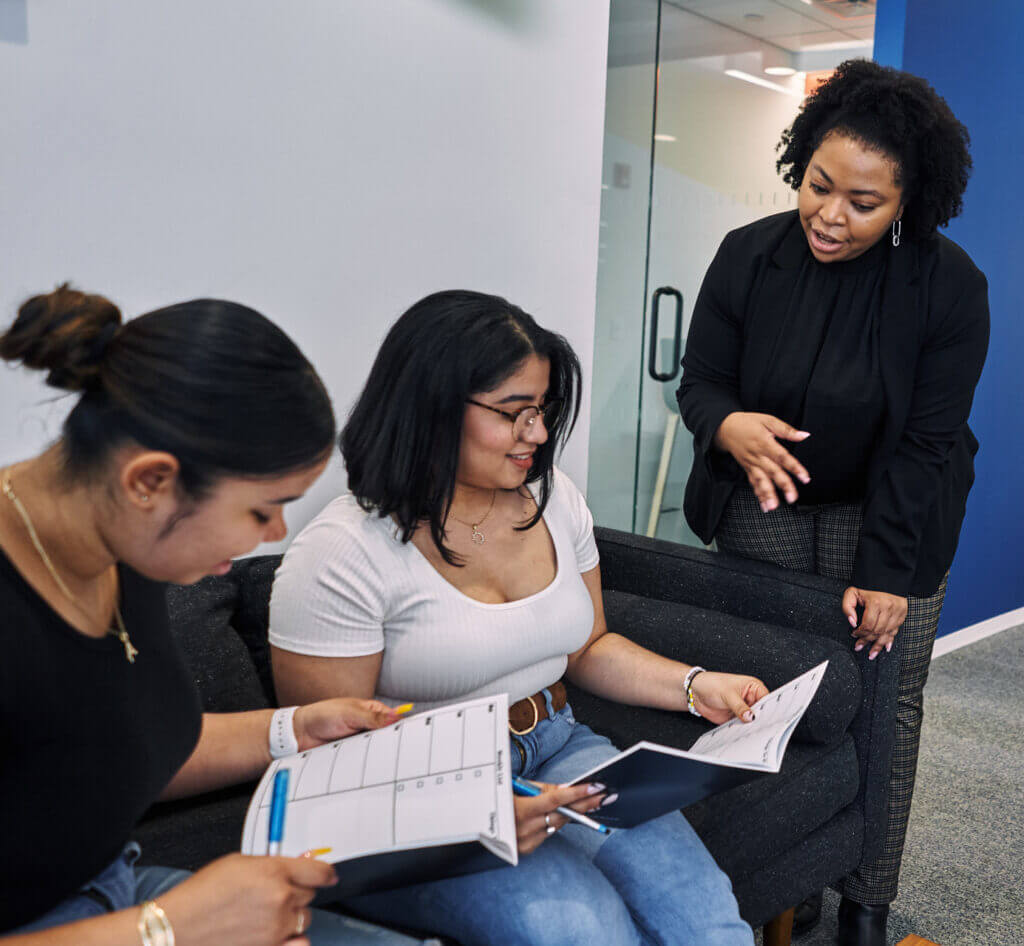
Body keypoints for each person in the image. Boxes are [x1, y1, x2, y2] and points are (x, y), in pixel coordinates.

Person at [269, 289, 771, 946]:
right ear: (432, 407)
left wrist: (693, 683)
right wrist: (465, 811)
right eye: (513, 414)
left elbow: (588, 645)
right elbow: (329, 761)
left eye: (541, 410)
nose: (535, 434)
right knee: (587, 932)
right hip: (418, 797)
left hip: (560, 743)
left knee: (709, 923)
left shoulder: (552, 498)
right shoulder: (343, 551)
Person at [0, 285, 441, 946]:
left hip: (110, 892)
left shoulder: (130, 549)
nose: (276, 532)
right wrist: (170, 927)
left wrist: (292, 729)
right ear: (150, 481)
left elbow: (94, 752)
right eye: (263, 509)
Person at [677, 60, 989, 946]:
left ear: (908, 203)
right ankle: (788, 883)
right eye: (819, 185)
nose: (830, 215)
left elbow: (928, 441)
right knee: (773, 697)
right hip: (764, 511)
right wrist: (728, 424)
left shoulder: (949, 286)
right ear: (799, 162)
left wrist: (887, 571)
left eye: (863, 202)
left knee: (885, 706)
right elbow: (701, 381)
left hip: (895, 520)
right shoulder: (749, 254)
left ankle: (865, 907)